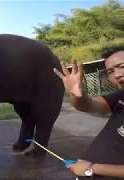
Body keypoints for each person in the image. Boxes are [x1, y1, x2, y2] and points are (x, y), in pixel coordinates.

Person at [53, 47, 124, 179]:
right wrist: (77, 95)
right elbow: (89, 105)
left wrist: (92, 168)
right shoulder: (121, 96)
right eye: (110, 71)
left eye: (121, 66)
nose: (117, 74)